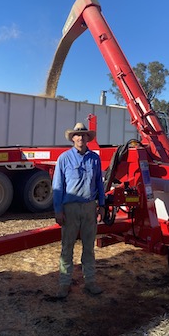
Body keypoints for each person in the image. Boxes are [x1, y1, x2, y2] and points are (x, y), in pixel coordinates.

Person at [52, 122, 106, 298]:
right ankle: (64, 284)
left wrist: (102, 205)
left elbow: (99, 183)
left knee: (89, 247)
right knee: (67, 247)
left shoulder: (94, 159)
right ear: (72, 138)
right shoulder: (64, 158)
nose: (81, 138)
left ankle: (90, 282)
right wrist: (58, 210)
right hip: (70, 209)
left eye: (84, 135)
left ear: (87, 138)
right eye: (77, 135)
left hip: (90, 208)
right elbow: (58, 186)